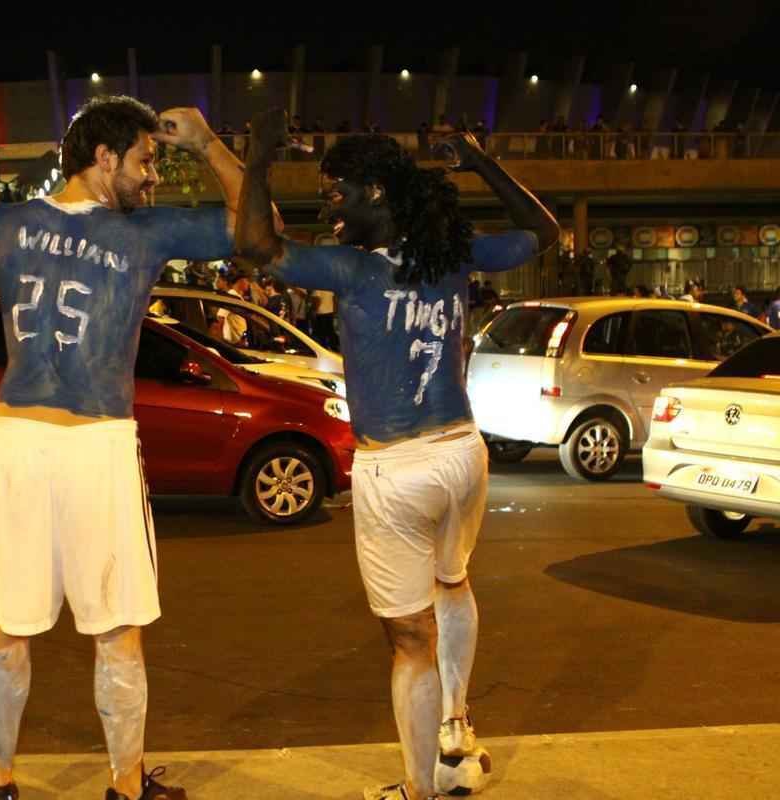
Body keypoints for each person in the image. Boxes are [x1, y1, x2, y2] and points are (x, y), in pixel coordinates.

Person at [0, 95, 250, 800]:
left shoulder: (11, 224)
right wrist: (208, 146)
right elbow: (251, 226)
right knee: (117, 631)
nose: (153, 177)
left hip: (20, 445)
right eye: (145, 161)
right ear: (104, 157)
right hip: (98, 445)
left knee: (7, 627)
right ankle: (125, 785)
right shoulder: (143, 234)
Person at [236, 109, 558, 800]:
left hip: (397, 467)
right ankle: (456, 725)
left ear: (377, 193)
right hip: (462, 453)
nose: (330, 206)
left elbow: (256, 244)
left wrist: (258, 162)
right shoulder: (451, 252)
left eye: (337, 192)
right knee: (453, 584)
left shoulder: (351, 269)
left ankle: (418, 790)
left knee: (408, 642)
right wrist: (481, 163)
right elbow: (545, 233)